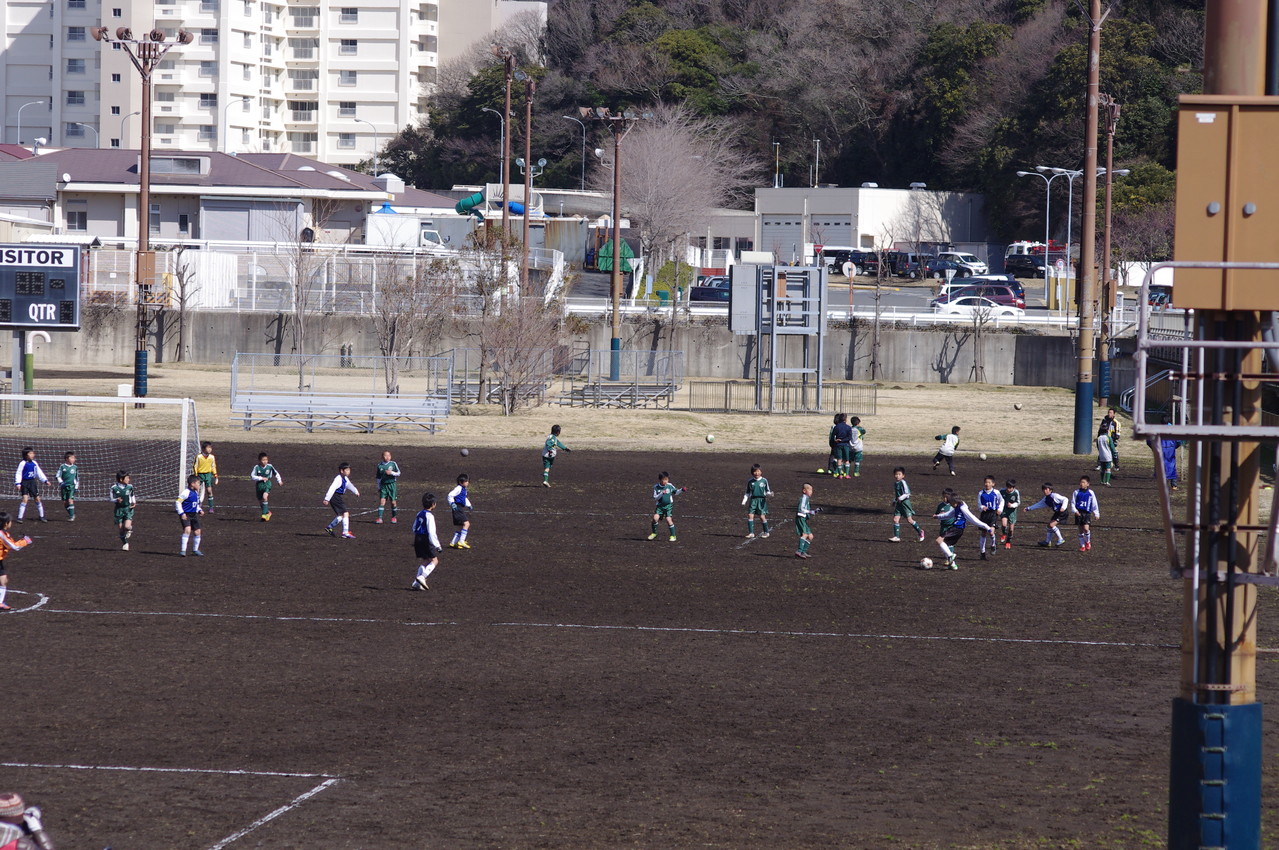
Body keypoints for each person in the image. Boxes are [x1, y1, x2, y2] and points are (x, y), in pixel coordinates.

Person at [932, 489, 993, 570]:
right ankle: (953, 565)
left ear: (954, 502)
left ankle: (950, 556)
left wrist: (987, 527)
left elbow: (973, 519)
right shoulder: (957, 507)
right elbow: (948, 515)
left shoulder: (962, 508)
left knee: (939, 540)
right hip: (958, 530)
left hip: (956, 528)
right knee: (946, 545)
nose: (951, 505)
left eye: (951, 503)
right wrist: (937, 516)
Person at [0, 513, 33, 612]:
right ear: (6, 523)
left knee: (3, 580)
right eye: (10, 522)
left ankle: (0, 602)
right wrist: (25, 541)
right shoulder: (1, 534)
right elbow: (13, 546)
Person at [410, 492, 442, 591]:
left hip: (417, 538)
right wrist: (437, 546)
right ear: (433, 504)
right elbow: (432, 532)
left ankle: (416, 583)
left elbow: (414, 527)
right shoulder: (430, 516)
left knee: (425, 560)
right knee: (434, 560)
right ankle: (422, 577)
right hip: (426, 539)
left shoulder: (419, 513)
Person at [1025, 482, 1070, 548]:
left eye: (1046, 489)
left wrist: (1063, 507)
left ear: (1050, 490)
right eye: (1044, 489)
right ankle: (1047, 542)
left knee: (1051, 525)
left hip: (1063, 513)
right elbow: (1038, 504)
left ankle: (1061, 539)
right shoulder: (1045, 499)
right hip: (1057, 513)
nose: (1045, 491)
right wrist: (1029, 508)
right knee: (1049, 526)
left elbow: (1065, 499)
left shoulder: (1055, 496)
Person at [322, 462, 359, 539]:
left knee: (341, 515)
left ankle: (329, 527)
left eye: (349, 470)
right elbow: (332, 488)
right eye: (347, 470)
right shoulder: (338, 479)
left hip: (337, 496)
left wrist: (355, 491)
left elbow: (349, 485)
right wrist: (327, 499)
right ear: (342, 471)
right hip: (334, 496)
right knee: (345, 513)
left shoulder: (345, 478)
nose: (349, 472)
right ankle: (345, 532)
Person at [889, 466, 925, 543]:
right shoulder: (896, 483)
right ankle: (897, 537)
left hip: (905, 503)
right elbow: (897, 494)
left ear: (903, 475)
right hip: (899, 504)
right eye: (896, 474)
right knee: (895, 519)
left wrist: (900, 498)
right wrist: (894, 501)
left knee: (909, 520)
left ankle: (920, 532)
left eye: (899, 474)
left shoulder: (903, 482)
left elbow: (907, 493)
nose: (897, 476)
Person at [648, 472, 686, 542]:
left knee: (669, 520)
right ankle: (654, 533)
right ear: (660, 480)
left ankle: (673, 536)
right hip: (660, 507)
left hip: (668, 506)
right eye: (663, 480)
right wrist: (662, 493)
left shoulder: (670, 485)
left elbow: (676, 492)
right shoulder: (656, 487)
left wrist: (681, 490)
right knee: (655, 518)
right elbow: (655, 498)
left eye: (666, 479)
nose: (665, 481)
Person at [13, 448, 47, 524]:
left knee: (37, 499)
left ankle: (41, 516)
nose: (33, 455)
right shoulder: (22, 463)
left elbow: (39, 472)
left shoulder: (34, 463)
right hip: (24, 482)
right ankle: (19, 517)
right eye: (31, 453)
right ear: (26, 455)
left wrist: (45, 480)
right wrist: (18, 483)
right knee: (25, 499)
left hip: (32, 482)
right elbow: (18, 473)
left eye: (33, 453)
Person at [175, 474, 205, 557]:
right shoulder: (186, 492)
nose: (199, 485)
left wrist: (199, 510)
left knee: (197, 531)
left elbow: (195, 504)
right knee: (187, 530)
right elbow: (178, 502)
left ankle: (195, 550)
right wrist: (181, 513)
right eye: (198, 483)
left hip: (194, 515)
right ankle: (183, 550)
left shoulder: (195, 493)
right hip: (186, 515)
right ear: (192, 484)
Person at [976, 476, 1005, 560]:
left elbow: (1002, 501)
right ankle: (982, 552)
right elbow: (979, 504)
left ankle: (993, 545)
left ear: (993, 484)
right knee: (983, 533)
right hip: (984, 515)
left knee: (991, 532)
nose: (987, 484)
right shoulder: (981, 493)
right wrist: (982, 507)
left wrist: (999, 509)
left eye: (989, 482)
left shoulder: (996, 492)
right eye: (986, 482)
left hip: (993, 514)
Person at [742, 463, 773, 539]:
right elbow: (747, 492)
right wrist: (744, 500)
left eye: (758, 471)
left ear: (761, 472)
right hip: (753, 500)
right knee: (750, 515)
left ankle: (766, 532)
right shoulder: (750, 481)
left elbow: (768, 490)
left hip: (761, 500)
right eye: (755, 471)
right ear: (752, 472)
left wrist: (769, 494)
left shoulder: (764, 480)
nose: (757, 473)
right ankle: (751, 533)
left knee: (762, 516)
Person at [1071, 475, 1101, 552]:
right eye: (1081, 482)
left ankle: (1087, 542)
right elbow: (1072, 503)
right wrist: (1075, 511)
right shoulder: (1076, 492)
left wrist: (1096, 513)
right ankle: (1082, 546)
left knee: (1086, 529)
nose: (1081, 484)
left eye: (1083, 482)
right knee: (1080, 530)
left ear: (1088, 484)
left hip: (1087, 513)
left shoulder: (1091, 493)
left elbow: (1094, 503)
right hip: (1078, 513)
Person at [251, 452, 283, 521]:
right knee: (260, 501)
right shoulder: (256, 467)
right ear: (259, 460)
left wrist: (279, 481)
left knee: (265, 497)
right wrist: (261, 478)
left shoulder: (270, 466)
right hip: (259, 485)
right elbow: (252, 476)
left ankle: (264, 515)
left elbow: (276, 473)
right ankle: (268, 513)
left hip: (267, 484)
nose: (265, 461)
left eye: (266, 460)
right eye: (263, 460)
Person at [374, 450, 401, 524]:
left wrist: (391, 473)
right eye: (385, 455)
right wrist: (378, 487)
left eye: (389, 455)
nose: (387, 457)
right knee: (382, 501)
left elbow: (398, 473)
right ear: (382, 457)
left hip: (392, 485)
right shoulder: (380, 466)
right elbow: (378, 478)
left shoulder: (393, 464)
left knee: (393, 502)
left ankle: (394, 517)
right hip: (383, 485)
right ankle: (380, 518)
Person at [111, 470, 136, 551]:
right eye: (127, 478)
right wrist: (116, 500)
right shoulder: (114, 488)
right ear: (121, 479)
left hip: (128, 509)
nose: (129, 479)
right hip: (119, 510)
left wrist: (134, 502)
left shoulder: (130, 487)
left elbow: (132, 495)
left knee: (126, 526)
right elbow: (111, 498)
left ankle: (129, 528)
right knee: (121, 529)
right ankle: (125, 543)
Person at [448, 473, 473, 549]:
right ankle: (461, 541)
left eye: (468, 481)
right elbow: (450, 495)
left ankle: (453, 542)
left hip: (459, 508)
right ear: (460, 482)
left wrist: (469, 505)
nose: (467, 482)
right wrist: (452, 503)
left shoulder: (463, 490)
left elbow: (464, 499)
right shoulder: (458, 488)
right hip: (457, 508)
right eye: (466, 481)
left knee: (460, 526)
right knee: (467, 524)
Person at [193, 442, 219, 513]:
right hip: (200, 475)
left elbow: (213, 466)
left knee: (209, 491)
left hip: (208, 475)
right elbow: (195, 466)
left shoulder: (212, 457)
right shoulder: (198, 457)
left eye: (211, 448)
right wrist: (196, 475)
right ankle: (198, 504)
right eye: (208, 448)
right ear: (203, 449)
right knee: (197, 490)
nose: (210, 449)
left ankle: (211, 507)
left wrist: (215, 475)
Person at [794, 482, 817, 558]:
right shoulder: (804, 498)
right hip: (800, 518)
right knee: (805, 534)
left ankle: (803, 552)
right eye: (809, 490)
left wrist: (813, 511)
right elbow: (801, 509)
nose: (811, 492)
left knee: (810, 536)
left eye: (812, 490)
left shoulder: (807, 499)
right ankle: (799, 551)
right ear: (804, 491)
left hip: (803, 519)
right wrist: (810, 511)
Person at [829, 414, 852, 479]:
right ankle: (847, 474)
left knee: (839, 459)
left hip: (838, 445)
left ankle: (840, 475)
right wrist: (843, 440)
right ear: (846, 419)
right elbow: (849, 438)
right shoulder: (848, 427)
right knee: (846, 460)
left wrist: (836, 441)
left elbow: (832, 436)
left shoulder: (836, 427)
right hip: (846, 445)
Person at [999, 479, 1021, 550]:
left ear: (1014, 487)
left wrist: (1012, 505)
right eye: (1008, 487)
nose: (1009, 489)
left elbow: (1018, 502)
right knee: (1004, 524)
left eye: (1010, 488)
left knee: (1011, 529)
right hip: (1004, 510)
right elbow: (998, 499)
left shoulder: (1016, 492)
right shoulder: (1001, 491)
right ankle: (1004, 534)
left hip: (1012, 512)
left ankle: (1008, 542)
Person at [56, 451, 78, 522]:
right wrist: (61, 483)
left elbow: (77, 478)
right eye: (72, 458)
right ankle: (71, 513)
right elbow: (58, 476)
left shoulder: (75, 467)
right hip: (64, 487)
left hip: (71, 486)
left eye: (74, 458)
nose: (74, 459)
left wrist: (76, 487)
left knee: (70, 500)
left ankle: (71, 517)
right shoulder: (62, 467)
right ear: (67, 458)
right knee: (65, 502)